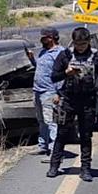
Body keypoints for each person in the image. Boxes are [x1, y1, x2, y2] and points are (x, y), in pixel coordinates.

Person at [47, 27, 98, 182]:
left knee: (85, 135)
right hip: (68, 99)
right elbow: (54, 77)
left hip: (88, 101)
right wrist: (66, 73)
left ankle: (85, 169)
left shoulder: (97, 57)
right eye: (77, 43)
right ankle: (54, 166)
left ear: (89, 41)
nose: (80, 47)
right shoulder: (66, 55)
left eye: (83, 43)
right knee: (62, 134)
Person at [28, 27, 64, 156]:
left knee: (51, 122)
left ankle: (55, 150)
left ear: (52, 38)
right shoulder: (44, 52)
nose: (41, 40)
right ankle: (43, 145)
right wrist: (32, 59)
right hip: (38, 91)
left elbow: (62, 74)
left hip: (50, 91)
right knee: (41, 120)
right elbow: (40, 68)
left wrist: (58, 93)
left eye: (44, 37)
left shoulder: (60, 53)